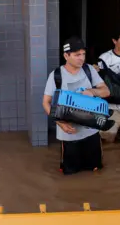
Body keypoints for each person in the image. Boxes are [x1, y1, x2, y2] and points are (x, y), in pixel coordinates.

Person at [42, 37, 111, 175]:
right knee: (70, 173)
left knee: (95, 170)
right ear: (66, 56)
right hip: (69, 135)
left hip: (91, 131)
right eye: (77, 55)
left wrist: (92, 91)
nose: (81, 58)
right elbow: (46, 103)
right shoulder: (56, 75)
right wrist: (60, 123)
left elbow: (106, 91)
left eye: (83, 54)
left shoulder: (89, 70)